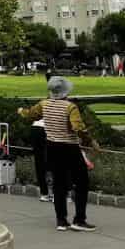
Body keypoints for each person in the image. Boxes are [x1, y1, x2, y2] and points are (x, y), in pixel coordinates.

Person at [20, 76, 97, 232]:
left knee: (59, 184)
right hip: (70, 147)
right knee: (81, 182)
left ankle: (61, 220)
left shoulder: (44, 104)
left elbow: (31, 115)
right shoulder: (70, 107)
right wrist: (91, 142)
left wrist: (21, 111)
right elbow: (78, 128)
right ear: (66, 92)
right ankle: (79, 220)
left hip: (52, 147)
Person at [30, 117, 52, 202]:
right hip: (47, 128)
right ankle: (54, 194)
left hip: (35, 127)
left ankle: (44, 194)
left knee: (39, 162)